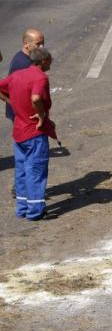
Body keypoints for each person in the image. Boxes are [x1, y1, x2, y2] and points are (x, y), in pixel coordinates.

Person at [0, 48, 56, 221]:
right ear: (43, 61)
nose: (51, 63)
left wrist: (13, 104)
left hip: (19, 130)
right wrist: (40, 115)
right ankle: (35, 211)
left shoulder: (18, 75)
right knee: (36, 171)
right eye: (50, 60)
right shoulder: (40, 77)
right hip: (34, 131)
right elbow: (36, 98)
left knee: (22, 169)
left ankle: (22, 208)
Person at [7, 29, 43, 198]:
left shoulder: (26, 59)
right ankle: (23, 189)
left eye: (43, 43)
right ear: (26, 43)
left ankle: (21, 188)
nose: (41, 47)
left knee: (24, 153)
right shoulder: (22, 64)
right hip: (24, 115)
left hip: (21, 113)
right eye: (38, 44)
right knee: (29, 155)